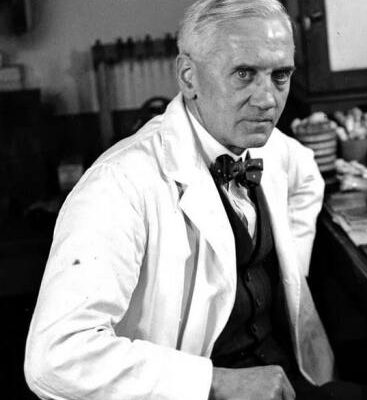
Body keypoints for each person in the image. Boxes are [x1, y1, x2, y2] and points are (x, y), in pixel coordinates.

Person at [25, 1, 338, 399]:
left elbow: (307, 174)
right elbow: (54, 357)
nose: (267, 100)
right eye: (244, 74)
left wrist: (292, 274)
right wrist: (214, 383)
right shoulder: (118, 183)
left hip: (290, 377)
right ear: (189, 77)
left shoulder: (268, 145)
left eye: (280, 75)